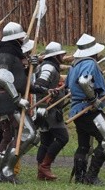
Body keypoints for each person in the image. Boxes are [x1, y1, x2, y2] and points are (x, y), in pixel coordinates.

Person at [66, 33, 105, 185]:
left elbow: (73, 87)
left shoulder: (74, 65)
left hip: (77, 110)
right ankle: (90, 177)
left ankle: (80, 177)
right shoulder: (90, 63)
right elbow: (84, 82)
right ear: (93, 52)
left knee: (84, 146)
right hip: (88, 109)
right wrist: (93, 99)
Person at [0, 22, 39, 183]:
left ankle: (0, 173)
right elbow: (4, 77)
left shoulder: (13, 54)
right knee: (29, 134)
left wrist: (31, 66)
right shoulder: (5, 53)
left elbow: (19, 78)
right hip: (8, 99)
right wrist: (17, 99)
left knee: (12, 136)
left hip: (8, 99)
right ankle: (6, 170)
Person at [31, 41, 69, 181]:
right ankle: (45, 166)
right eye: (61, 55)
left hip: (45, 109)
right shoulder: (48, 66)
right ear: (55, 56)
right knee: (62, 137)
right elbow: (40, 84)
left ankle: (41, 173)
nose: (63, 57)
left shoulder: (49, 66)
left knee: (46, 141)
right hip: (48, 110)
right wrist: (49, 92)